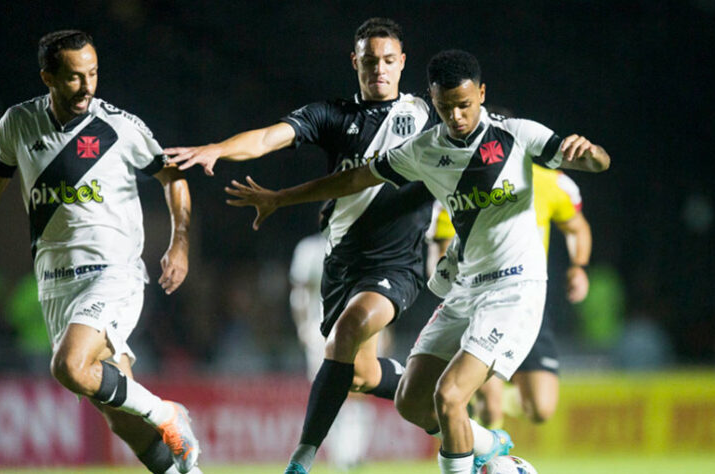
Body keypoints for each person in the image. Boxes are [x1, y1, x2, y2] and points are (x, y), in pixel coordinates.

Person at [223, 49, 610, 474]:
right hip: (466, 289)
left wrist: (590, 152)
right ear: (433, 98)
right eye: (446, 108)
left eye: (465, 105)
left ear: (481, 93)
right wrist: (281, 198)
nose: (457, 116)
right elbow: (354, 178)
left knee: (450, 396)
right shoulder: (424, 149)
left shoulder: (518, 135)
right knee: (412, 401)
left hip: (514, 288)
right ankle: (493, 449)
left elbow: (595, 162)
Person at [166, 18, 438, 474]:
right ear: (355, 62)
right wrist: (218, 148)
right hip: (342, 265)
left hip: (398, 262)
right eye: (370, 61)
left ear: (403, 62)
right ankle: (449, 402)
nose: (379, 70)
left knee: (348, 330)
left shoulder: (426, 117)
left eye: (389, 61)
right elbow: (269, 138)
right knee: (362, 374)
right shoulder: (333, 116)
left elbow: (479, 131)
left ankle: (302, 459)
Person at [0, 30, 201, 474]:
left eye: (93, 74)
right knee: (119, 413)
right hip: (55, 283)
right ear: (47, 77)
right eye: (73, 77)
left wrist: (179, 241)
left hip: (113, 272)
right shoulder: (18, 123)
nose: (87, 87)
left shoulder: (119, 127)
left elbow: (173, 177)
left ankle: (169, 414)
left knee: (69, 366)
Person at [430, 159, 593, 428]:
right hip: (480, 306)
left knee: (541, 408)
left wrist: (579, 267)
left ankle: (486, 395)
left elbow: (577, 227)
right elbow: (440, 257)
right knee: (491, 407)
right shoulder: (459, 187)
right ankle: (487, 461)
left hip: (527, 304)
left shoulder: (548, 182)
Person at [289, 232, 375, 471]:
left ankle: (353, 452)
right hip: (319, 332)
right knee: (328, 393)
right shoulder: (308, 249)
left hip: (357, 328)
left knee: (357, 389)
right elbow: (299, 294)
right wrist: (303, 327)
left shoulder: (360, 244)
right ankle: (341, 455)